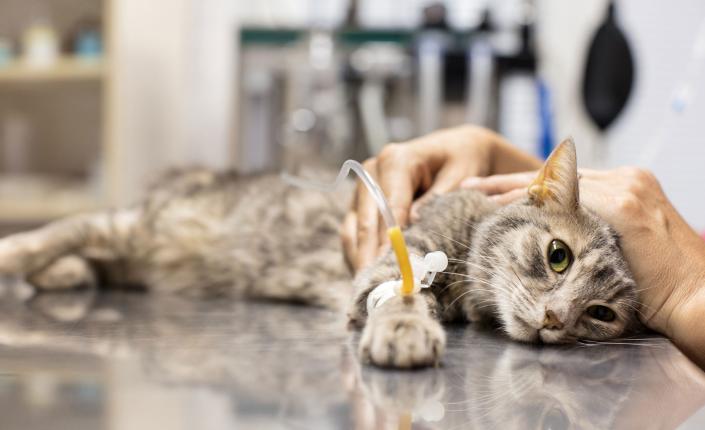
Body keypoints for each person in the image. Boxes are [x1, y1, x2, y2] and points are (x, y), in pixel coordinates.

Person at [341, 125, 705, 367]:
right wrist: (490, 146)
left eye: (602, 313)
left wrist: (689, 289)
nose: (558, 316)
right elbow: (384, 278)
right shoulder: (464, 214)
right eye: (558, 258)